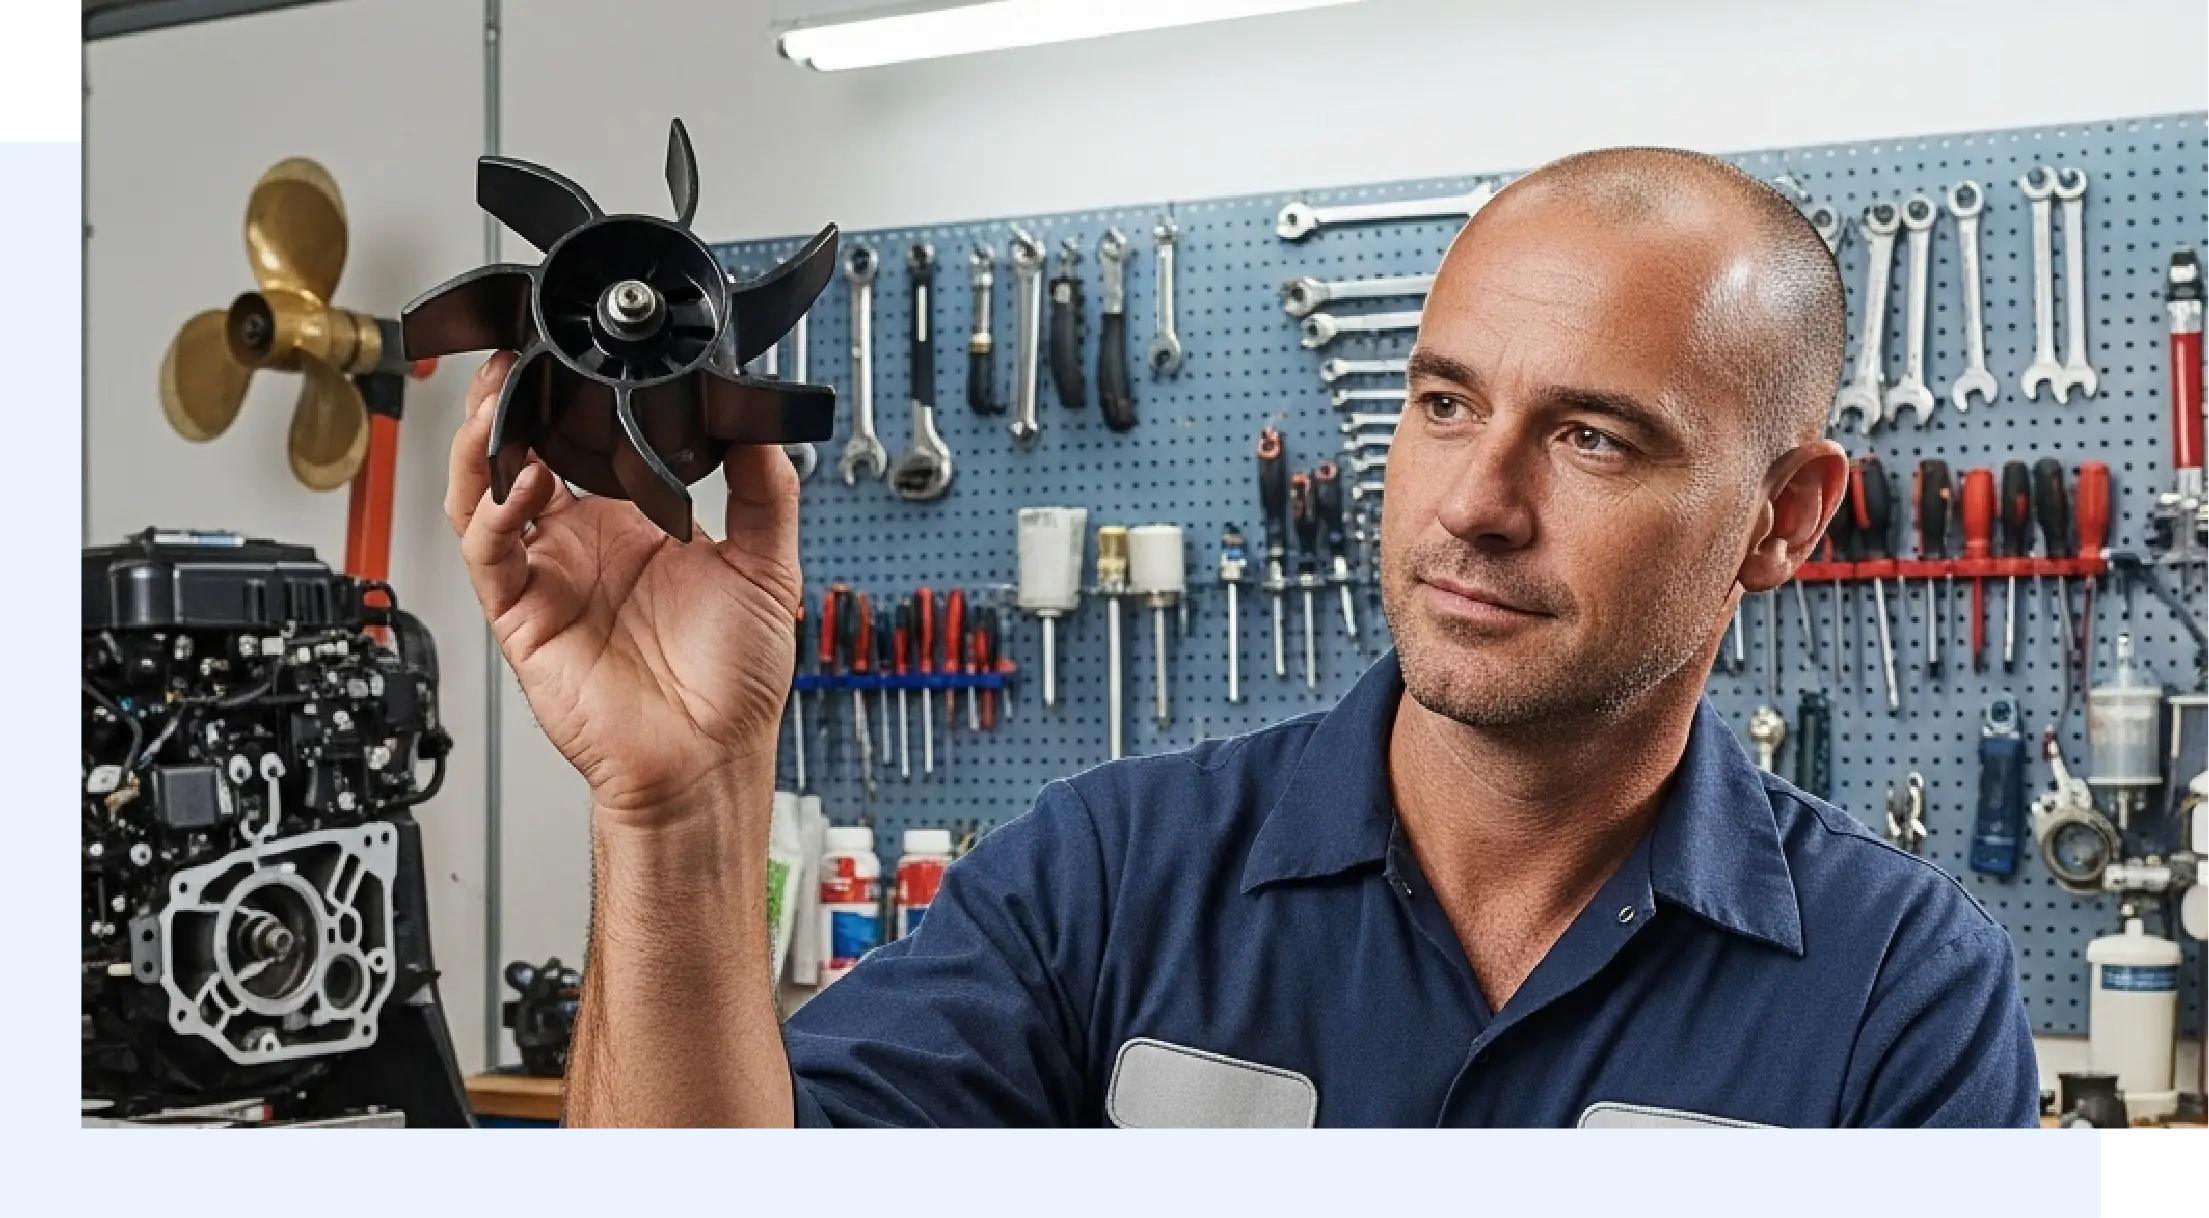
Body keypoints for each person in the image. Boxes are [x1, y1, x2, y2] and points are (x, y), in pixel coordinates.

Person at [445, 147, 2040, 1128]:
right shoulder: (1104, 885)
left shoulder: (1902, 993)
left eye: (1595, 439)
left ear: (1786, 517)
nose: (1473, 502)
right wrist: (675, 802)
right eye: (1442, 403)